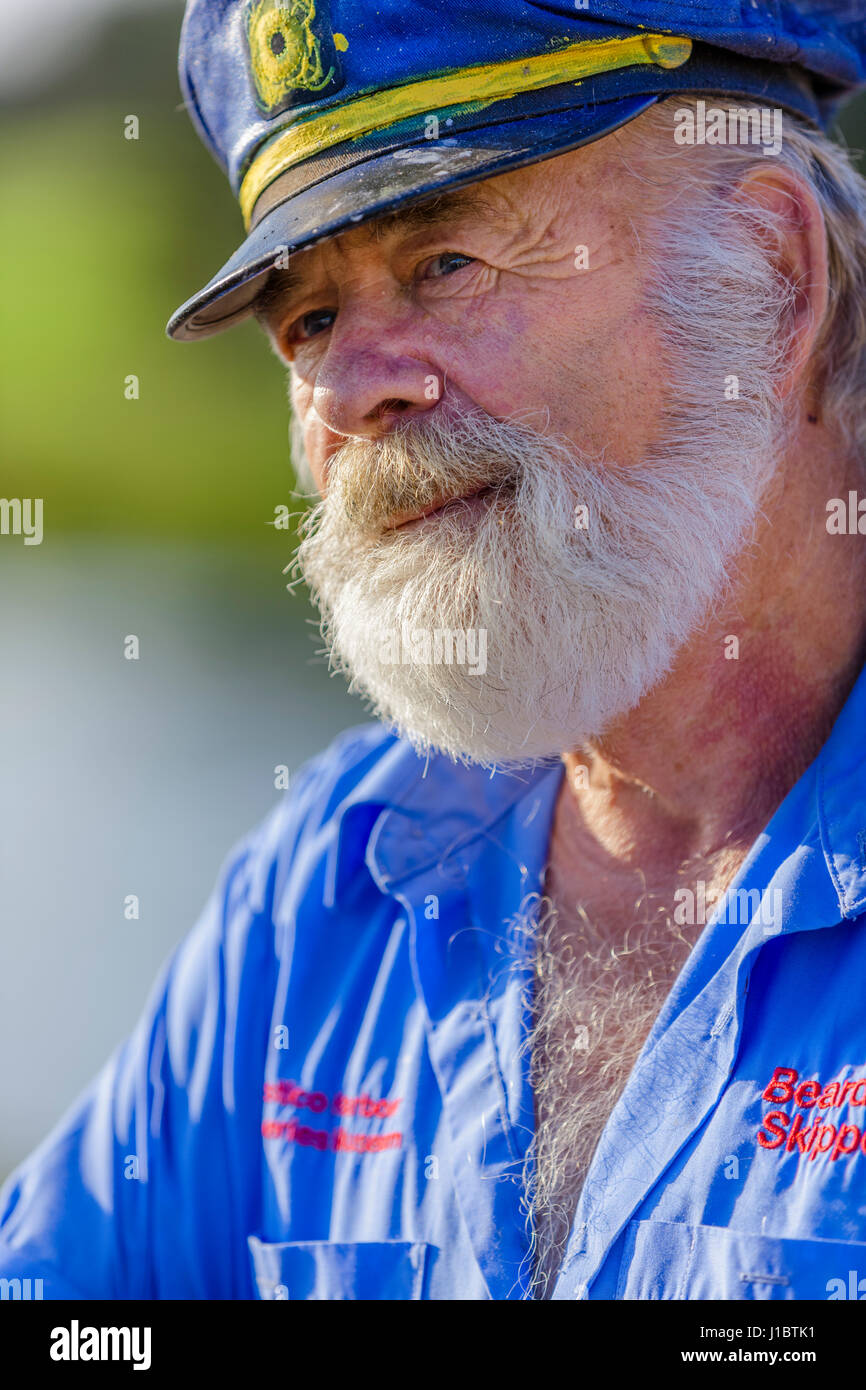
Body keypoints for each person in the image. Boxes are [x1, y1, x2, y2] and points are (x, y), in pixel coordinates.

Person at [3, 0, 866, 1301]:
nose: (351, 393)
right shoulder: (331, 882)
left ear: (770, 270)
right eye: (303, 325)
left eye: (444, 263)